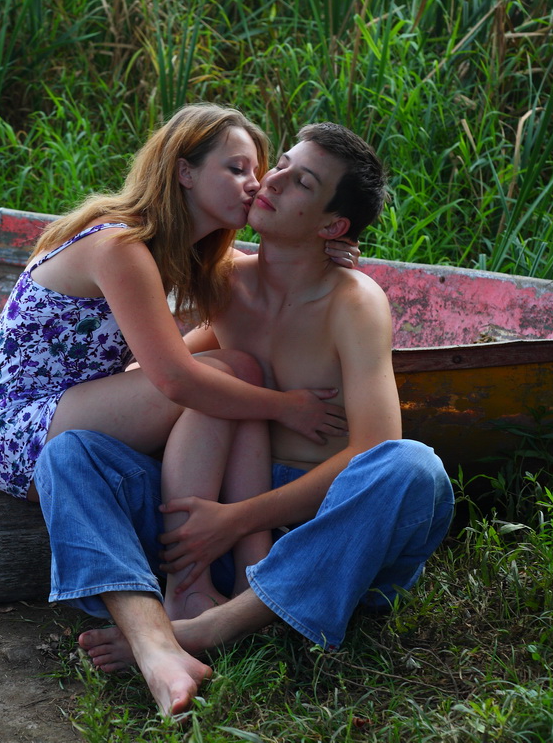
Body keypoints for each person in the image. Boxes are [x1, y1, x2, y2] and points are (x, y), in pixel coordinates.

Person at [33, 122, 455, 716]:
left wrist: (236, 520)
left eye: (302, 182)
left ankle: (211, 628)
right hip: (202, 522)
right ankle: (156, 625)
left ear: (333, 227)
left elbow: (372, 448)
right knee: (70, 452)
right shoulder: (227, 279)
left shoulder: (354, 303)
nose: (271, 180)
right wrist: (210, 516)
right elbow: (172, 376)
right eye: (280, 163)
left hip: (319, 533)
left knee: (412, 467)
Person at [0, 104, 356, 504]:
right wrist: (287, 407)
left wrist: (320, 249)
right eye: (237, 169)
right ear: (185, 172)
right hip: (18, 434)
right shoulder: (118, 246)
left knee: (238, 370)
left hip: (72, 407)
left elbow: (267, 276)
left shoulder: (175, 248)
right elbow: (176, 381)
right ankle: (188, 533)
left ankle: (242, 533)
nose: (255, 186)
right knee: (222, 378)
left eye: (257, 173)